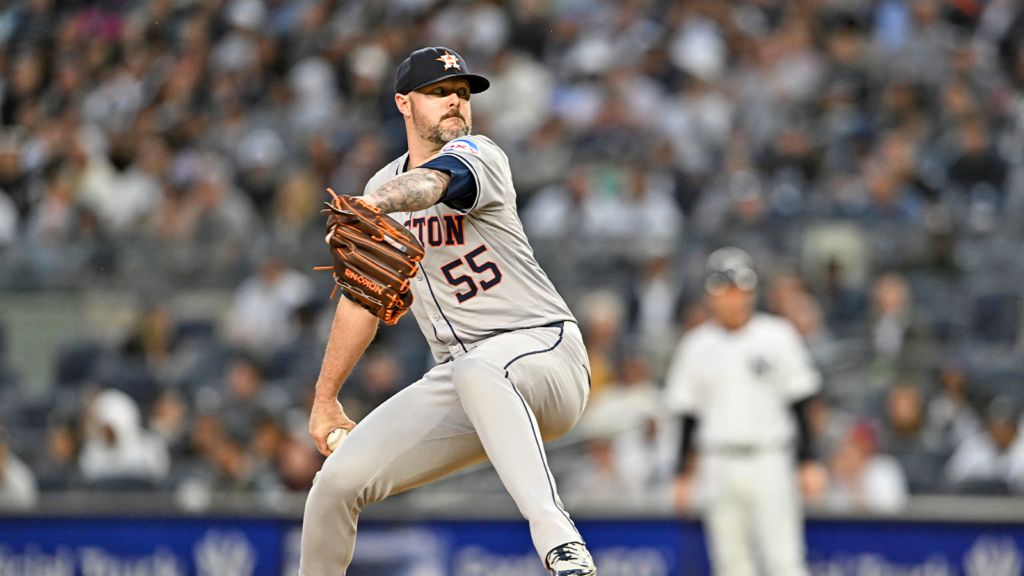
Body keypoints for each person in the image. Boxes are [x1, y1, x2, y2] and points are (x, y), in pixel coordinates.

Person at [298, 47, 596, 576]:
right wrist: (325, 401)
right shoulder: (379, 185)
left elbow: (433, 184)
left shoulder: (481, 155)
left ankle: (561, 546)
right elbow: (363, 300)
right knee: (336, 485)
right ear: (404, 104)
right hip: (465, 381)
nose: (455, 101)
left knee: (482, 366)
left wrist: (379, 205)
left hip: (545, 356)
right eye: (439, 93)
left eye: (462, 93)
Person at [665, 247, 825, 576]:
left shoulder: (777, 335)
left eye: (739, 290)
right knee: (731, 564)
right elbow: (687, 414)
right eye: (724, 291)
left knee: (784, 560)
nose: (732, 299)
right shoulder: (696, 344)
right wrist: (682, 472)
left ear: (751, 292)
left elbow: (801, 401)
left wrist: (809, 460)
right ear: (710, 296)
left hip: (770, 457)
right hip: (717, 460)